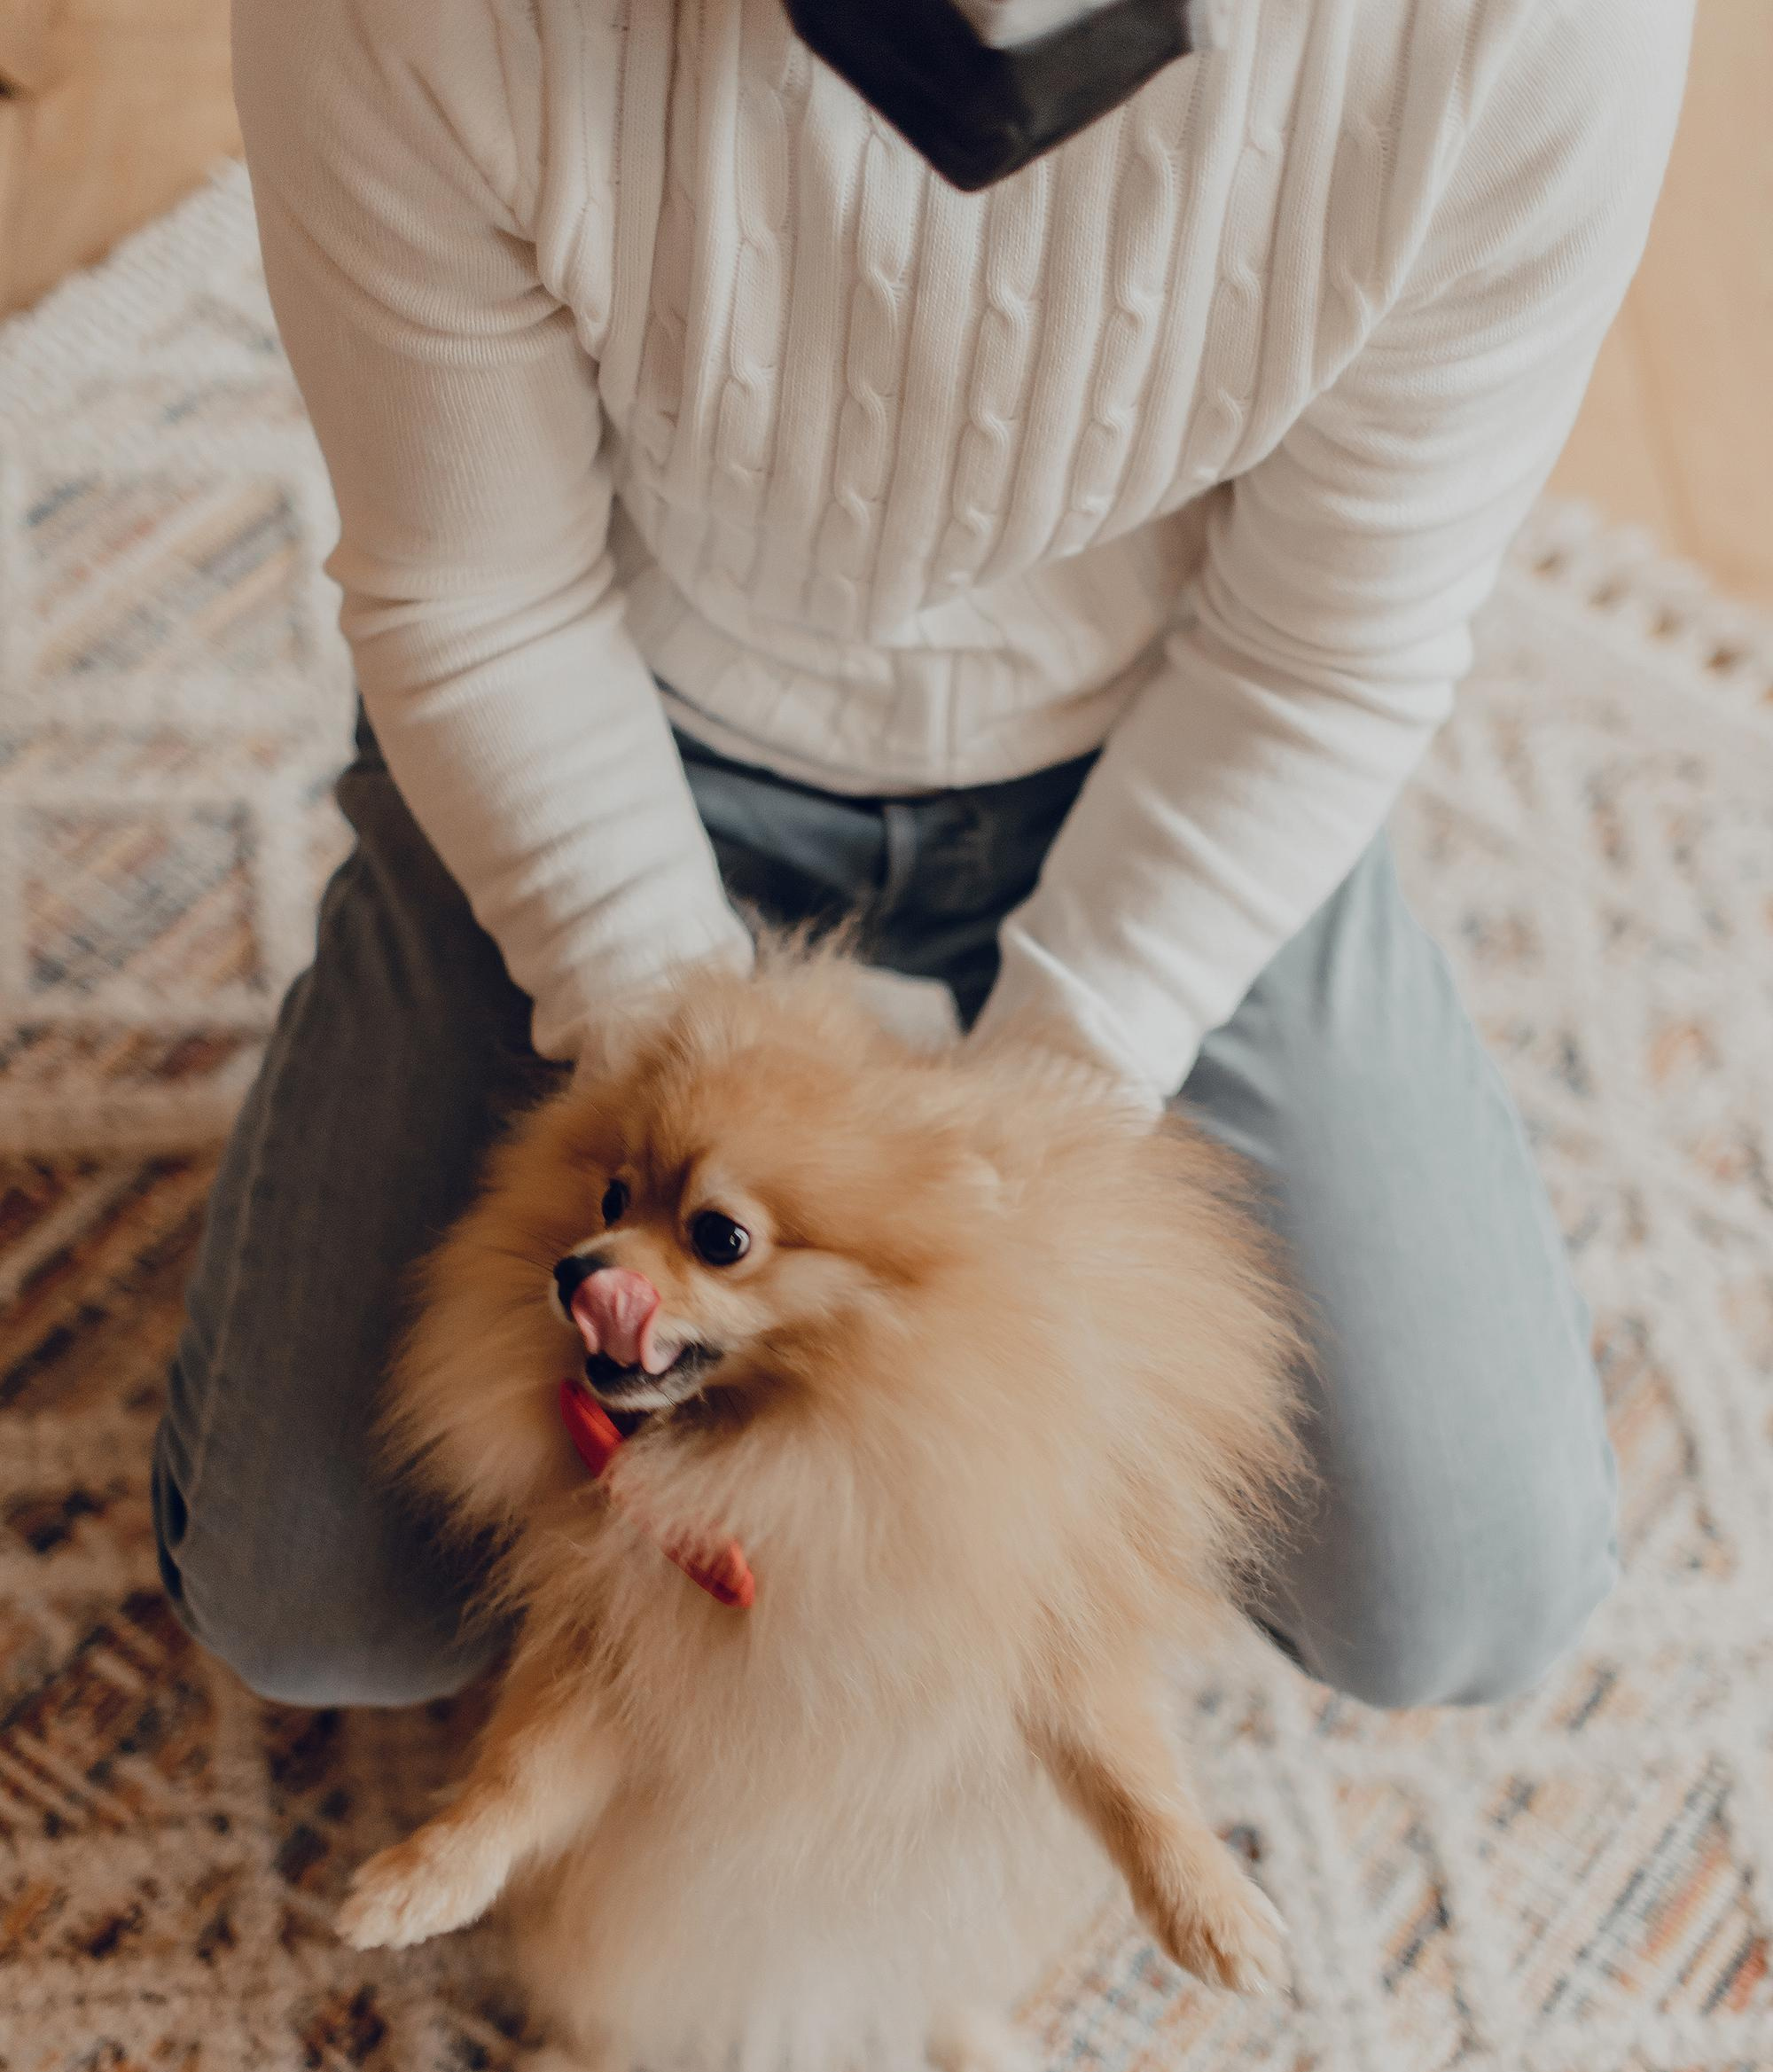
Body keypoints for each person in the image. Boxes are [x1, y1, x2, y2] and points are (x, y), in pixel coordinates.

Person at [152, 0, 1690, 1712]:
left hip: (1169, 735)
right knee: (311, 1609)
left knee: (1462, 1604)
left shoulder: (1543, 31)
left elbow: (1323, 652)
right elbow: (480, 597)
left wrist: (1039, 1147)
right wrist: (676, 1073)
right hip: (614, 711)